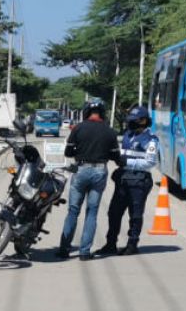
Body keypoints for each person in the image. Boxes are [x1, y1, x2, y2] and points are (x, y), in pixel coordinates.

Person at [56, 99, 120, 261]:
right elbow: (116, 157)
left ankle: (64, 249)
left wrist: (80, 151)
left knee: (73, 211)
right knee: (92, 212)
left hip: (81, 170)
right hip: (99, 171)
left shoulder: (78, 128)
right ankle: (84, 252)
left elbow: (68, 153)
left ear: (86, 112)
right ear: (102, 112)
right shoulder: (110, 131)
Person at [95, 106, 158, 256]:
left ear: (143, 121)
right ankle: (110, 244)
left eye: (134, 121)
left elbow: (150, 163)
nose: (130, 124)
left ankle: (132, 244)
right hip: (123, 179)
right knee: (113, 213)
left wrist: (128, 163)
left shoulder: (151, 139)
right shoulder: (128, 136)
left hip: (139, 181)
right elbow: (121, 154)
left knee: (135, 214)